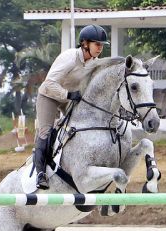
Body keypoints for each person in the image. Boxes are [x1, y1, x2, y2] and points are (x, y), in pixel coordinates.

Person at [33, 24, 110, 190]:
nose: (100, 48)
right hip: (49, 95)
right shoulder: (70, 57)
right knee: (46, 131)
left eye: (102, 45)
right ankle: (40, 174)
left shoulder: (94, 62)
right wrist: (68, 95)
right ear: (84, 43)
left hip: (68, 97)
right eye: (97, 44)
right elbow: (49, 84)